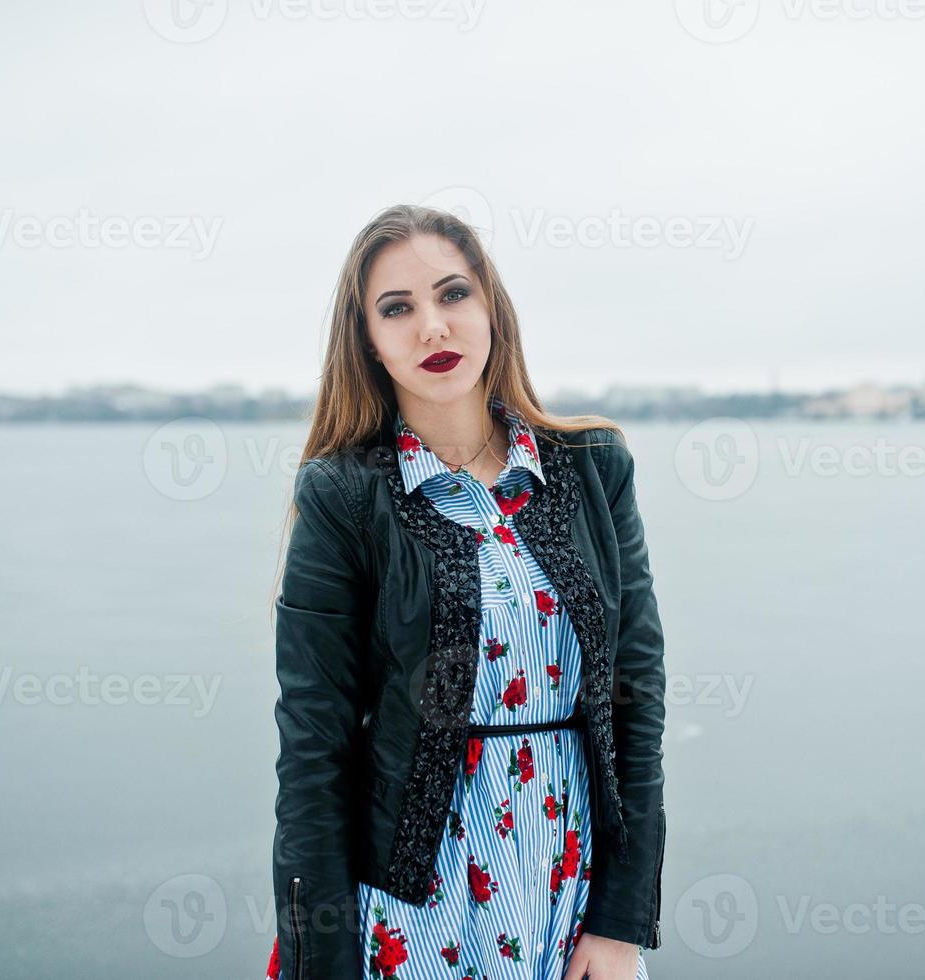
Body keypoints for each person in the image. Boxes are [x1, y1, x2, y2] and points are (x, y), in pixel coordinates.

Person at [268, 204, 667, 980]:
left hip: (572, 893)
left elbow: (636, 703)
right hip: (418, 907)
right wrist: (325, 962)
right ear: (370, 343)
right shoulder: (342, 495)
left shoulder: (592, 467)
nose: (431, 327)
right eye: (397, 309)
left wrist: (621, 923)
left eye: (453, 295)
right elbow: (313, 751)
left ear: (492, 310)